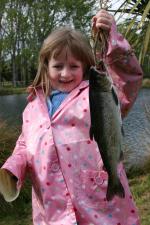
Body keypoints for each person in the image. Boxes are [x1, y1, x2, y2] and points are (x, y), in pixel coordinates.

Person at [0, 9, 143, 225]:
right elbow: (25, 143)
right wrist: (13, 167)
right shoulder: (32, 107)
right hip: (53, 208)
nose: (65, 73)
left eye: (74, 66)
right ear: (46, 66)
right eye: (58, 66)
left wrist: (112, 38)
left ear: (85, 67)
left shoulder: (95, 93)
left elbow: (127, 80)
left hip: (96, 203)